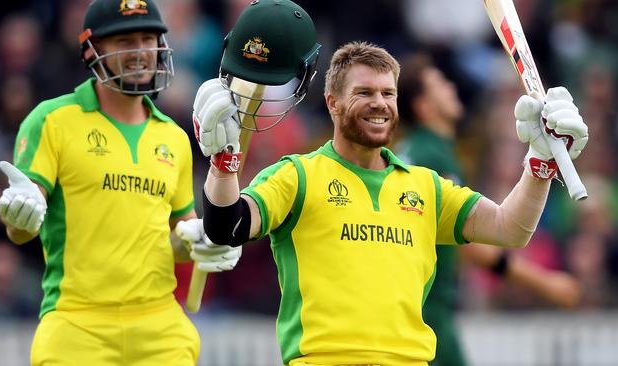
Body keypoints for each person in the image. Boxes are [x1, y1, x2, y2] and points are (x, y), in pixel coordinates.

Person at [192, 38, 588, 365]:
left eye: (388, 93)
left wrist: (539, 164)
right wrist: (223, 166)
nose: (379, 103)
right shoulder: (297, 174)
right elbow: (227, 226)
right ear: (332, 102)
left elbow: (509, 229)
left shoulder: (426, 186)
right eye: (364, 92)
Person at [0, 0, 241, 365]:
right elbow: (21, 230)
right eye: (125, 42)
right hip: (77, 324)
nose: (141, 51)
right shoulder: (52, 120)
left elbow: (176, 236)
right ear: (92, 50)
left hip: (161, 328)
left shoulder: (173, 136)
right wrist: (19, 214)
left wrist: (200, 240)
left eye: (148, 38)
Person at [396, 53, 581, 366]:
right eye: (439, 84)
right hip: (429, 312)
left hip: (416, 307)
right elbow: (470, 243)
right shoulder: (432, 156)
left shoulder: (416, 151)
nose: (451, 87)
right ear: (424, 107)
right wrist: (544, 283)